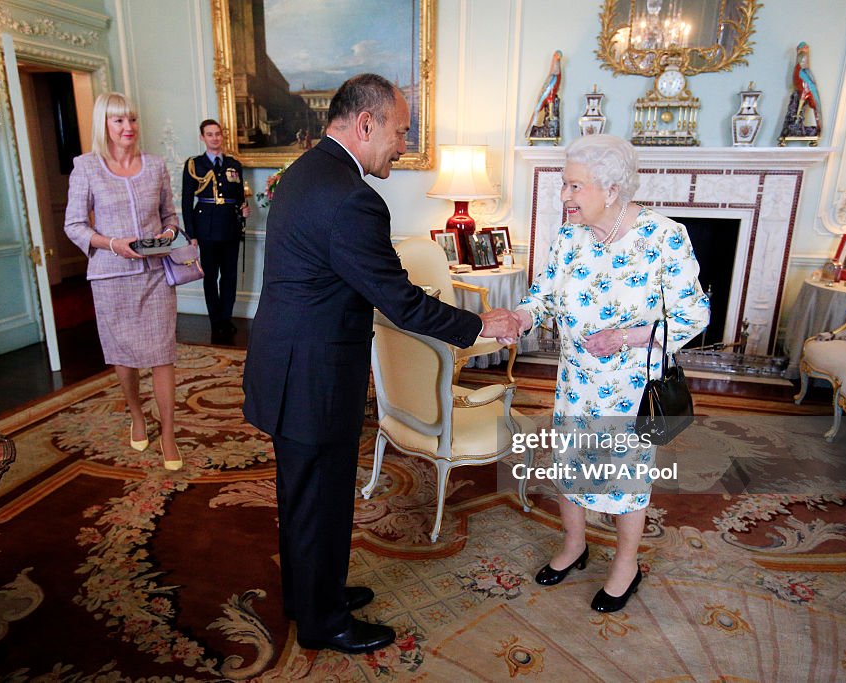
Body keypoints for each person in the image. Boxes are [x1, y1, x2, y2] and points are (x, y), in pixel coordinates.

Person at [242, 74, 519, 655]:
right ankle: (323, 623)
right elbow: (398, 298)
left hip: (288, 361)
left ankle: (311, 595)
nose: (402, 141)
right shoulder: (350, 196)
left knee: (303, 495)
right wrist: (478, 325)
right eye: (400, 130)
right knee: (320, 497)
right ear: (366, 124)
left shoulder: (306, 170)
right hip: (314, 375)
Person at [510, 135, 709, 612]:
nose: (565, 197)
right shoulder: (569, 237)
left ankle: (626, 563)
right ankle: (575, 545)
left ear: (612, 189)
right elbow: (543, 296)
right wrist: (521, 317)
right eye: (564, 185)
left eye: (575, 186)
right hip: (574, 381)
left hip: (631, 386)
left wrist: (625, 337)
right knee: (570, 465)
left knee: (624, 478)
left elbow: (692, 315)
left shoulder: (665, 237)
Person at [64, 92, 185, 471]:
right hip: (110, 276)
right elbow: (74, 225)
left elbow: (170, 216)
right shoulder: (86, 167)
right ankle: (136, 413)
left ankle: (168, 433)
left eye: (131, 119)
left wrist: (168, 233)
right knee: (124, 356)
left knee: (163, 355)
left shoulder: (155, 165)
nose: (128, 127)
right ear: (104, 125)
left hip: (155, 275)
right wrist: (113, 243)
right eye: (118, 120)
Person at [181, 119, 250, 342]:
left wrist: (243, 210)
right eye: (210, 134)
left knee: (229, 275)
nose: (215, 138)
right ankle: (215, 320)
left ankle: (226, 318)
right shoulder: (195, 165)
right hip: (206, 228)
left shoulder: (233, 164)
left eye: (218, 134)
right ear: (202, 137)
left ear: (223, 136)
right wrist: (191, 234)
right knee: (210, 276)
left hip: (230, 225)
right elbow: (186, 201)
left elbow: (239, 196)